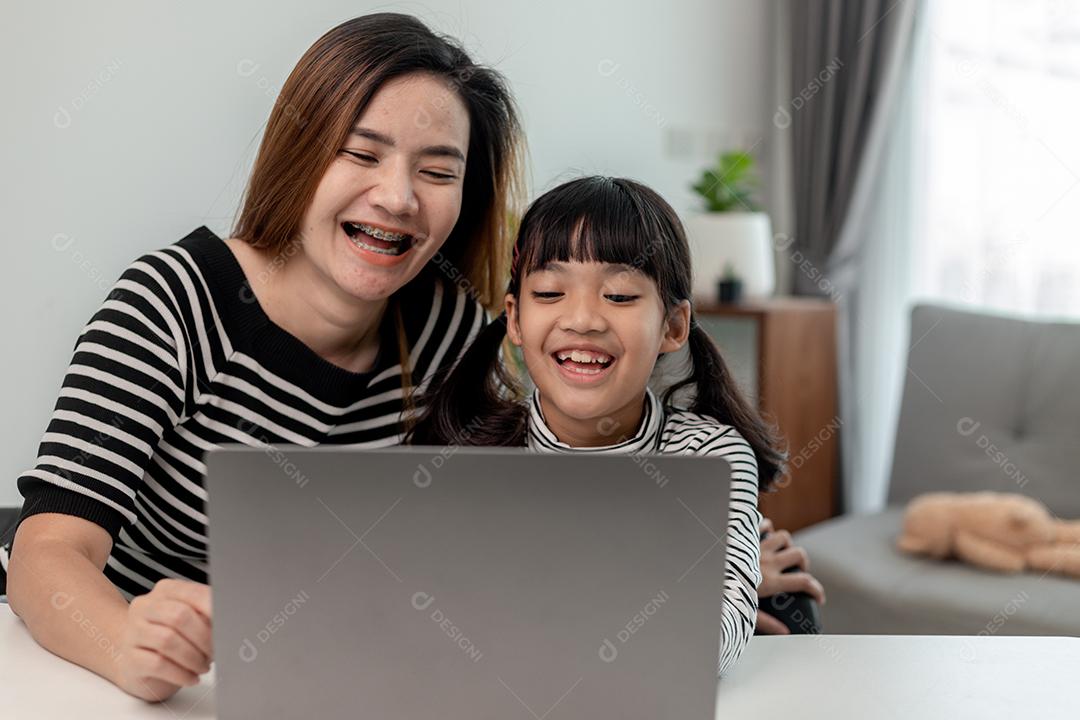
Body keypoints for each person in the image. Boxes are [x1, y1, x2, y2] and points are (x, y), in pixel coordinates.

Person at [2, 13, 524, 702]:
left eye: (436, 172)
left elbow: (487, 551)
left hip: (312, 678)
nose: (399, 198)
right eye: (361, 154)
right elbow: (46, 553)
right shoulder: (174, 302)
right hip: (113, 676)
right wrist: (127, 642)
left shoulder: (450, 334)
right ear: (299, 154)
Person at [408, 175, 787, 674]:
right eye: (550, 292)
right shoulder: (467, 455)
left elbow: (708, 638)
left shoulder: (710, 458)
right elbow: (435, 625)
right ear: (515, 320)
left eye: (620, 295)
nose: (583, 319)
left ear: (673, 326)